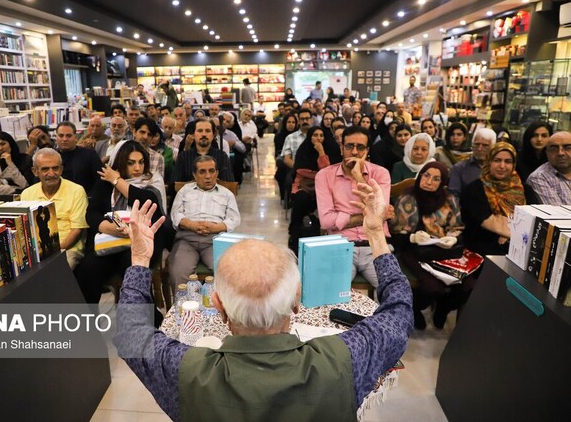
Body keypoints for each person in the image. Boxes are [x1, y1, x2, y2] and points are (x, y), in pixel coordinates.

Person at [114, 178, 412, 422]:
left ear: (218, 307)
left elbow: (131, 333)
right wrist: (375, 234)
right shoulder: (344, 357)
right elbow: (399, 312)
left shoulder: (186, 369)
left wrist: (140, 259)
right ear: (297, 301)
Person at [76, 141, 167, 303]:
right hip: (109, 239)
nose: (137, 168)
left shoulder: (152, 181)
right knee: (88, 268)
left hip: (140, 241)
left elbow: (145, 200)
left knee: (132, 267)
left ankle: (145, 320)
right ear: (120, 163)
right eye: (130, 163)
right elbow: (92, 213)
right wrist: (108, 227)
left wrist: (117, 181)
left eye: (141, 162)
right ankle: (89, 320)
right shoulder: (105, 182)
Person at [390, 161, 469, 330]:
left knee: (469, 285)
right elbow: (395, 234)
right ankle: (414, 308)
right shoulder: (407, 197)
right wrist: (412, 237)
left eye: (436, 179)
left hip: (443, 251)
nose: (429, 181)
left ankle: (443, 308)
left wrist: (453, 238)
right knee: (433, 288)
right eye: (426, 175)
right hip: (414, 251)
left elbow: (457, 227)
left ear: (443, 182)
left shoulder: (449, 199)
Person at [316, 125, 392, 286]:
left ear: (367, 150)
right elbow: (326, 222)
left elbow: (380, 212)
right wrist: (371, 217)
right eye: (350, 146)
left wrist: (358, 176)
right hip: (340, 246)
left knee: (393, 291)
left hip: (375, 245)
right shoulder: (325, 176)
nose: (355, 152)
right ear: (342, 148)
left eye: (360, 147)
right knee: (332, 294)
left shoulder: (381, 173)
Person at [168, 155, 240, 292]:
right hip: (187, 239)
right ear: (195, 175)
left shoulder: (226, 194)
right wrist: (191, 225)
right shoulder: (185, 191)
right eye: (202, 172)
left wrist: (216, 227)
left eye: (211, 171)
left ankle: (222, 309)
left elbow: (234, 219)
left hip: (215, 240)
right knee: (178, 273)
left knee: (228, 272)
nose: (208, 176)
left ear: (217, 173)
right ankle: (186, 310)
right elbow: (175, 214)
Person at [21, 148, 88, 269]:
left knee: (55, 273)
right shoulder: (27, 194)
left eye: (55, 168)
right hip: (36, 250)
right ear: (35, 171)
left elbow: (77, 230)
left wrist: (55, 251)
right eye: (45, 169)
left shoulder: (77, 191)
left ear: (61, 169)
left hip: (67, 248)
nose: (51, 174)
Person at [461, 142, 525, 256]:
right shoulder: (474, 189)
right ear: (489, 161)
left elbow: (533, 219)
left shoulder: (524, 189)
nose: (502, 166)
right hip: (481, 251)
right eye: (497, 160)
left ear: (514, 164)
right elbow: (485, 220)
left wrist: (508, 232)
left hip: (519, 251)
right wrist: (514, 231)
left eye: (508, 161)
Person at [288, 126, 341, 251]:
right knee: (302, 199)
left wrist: (321, 153)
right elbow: (301, 170)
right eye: (315, 135)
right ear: (310, 137)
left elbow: (329, 171)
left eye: (321, 135)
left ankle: (321, 228)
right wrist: (319, 174)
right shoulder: (303, 149)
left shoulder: (331, 149)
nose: (318, 138)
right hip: (304, 185)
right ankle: (295, 228)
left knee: (327, 199)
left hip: (325, 186)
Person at [172, 119, 234, 183]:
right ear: (193, 134)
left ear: (213, 135)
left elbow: (229, 183)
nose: (204, 134)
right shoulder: (183, 157)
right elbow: (175, 185)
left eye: (207, 131)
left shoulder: (222, 156)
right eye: (200, 131)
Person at [55, 121, 104, 195]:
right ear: (56, 137)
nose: (64, 139)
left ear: (75, 137)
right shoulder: (50, 157)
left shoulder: (89, 155)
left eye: (68, 136)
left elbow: (100, 182)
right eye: (61, 136)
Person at [448, 128, 496, 199]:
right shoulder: (459, 168)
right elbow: (453, 196)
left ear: (493, 147)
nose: (479, 149)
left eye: (485, 145)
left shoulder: (499, 168)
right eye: (476, 144)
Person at [527, 131, 571, 205]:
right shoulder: (539, 177)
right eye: (554, 148)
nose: (561, 153)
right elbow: (559, 214)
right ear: (547, 153)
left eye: (568, 148)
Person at [0, 131, 33, 196]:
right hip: (4, 198)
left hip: (23, 198)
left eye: (3, 144)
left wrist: (10, 164)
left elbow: (24, 185)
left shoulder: (25, 159)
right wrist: (16, 189)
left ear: (10, 143)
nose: (0, 148)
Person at [274, 113, 299, 200]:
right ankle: (285, 197)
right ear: (285, 123)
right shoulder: (279, 136)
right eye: (289, 122)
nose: (291, 124)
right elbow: (278, 152)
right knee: (281, 173)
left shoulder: (299, 136)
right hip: (284, 160)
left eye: (293, 122)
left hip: (297, 160)